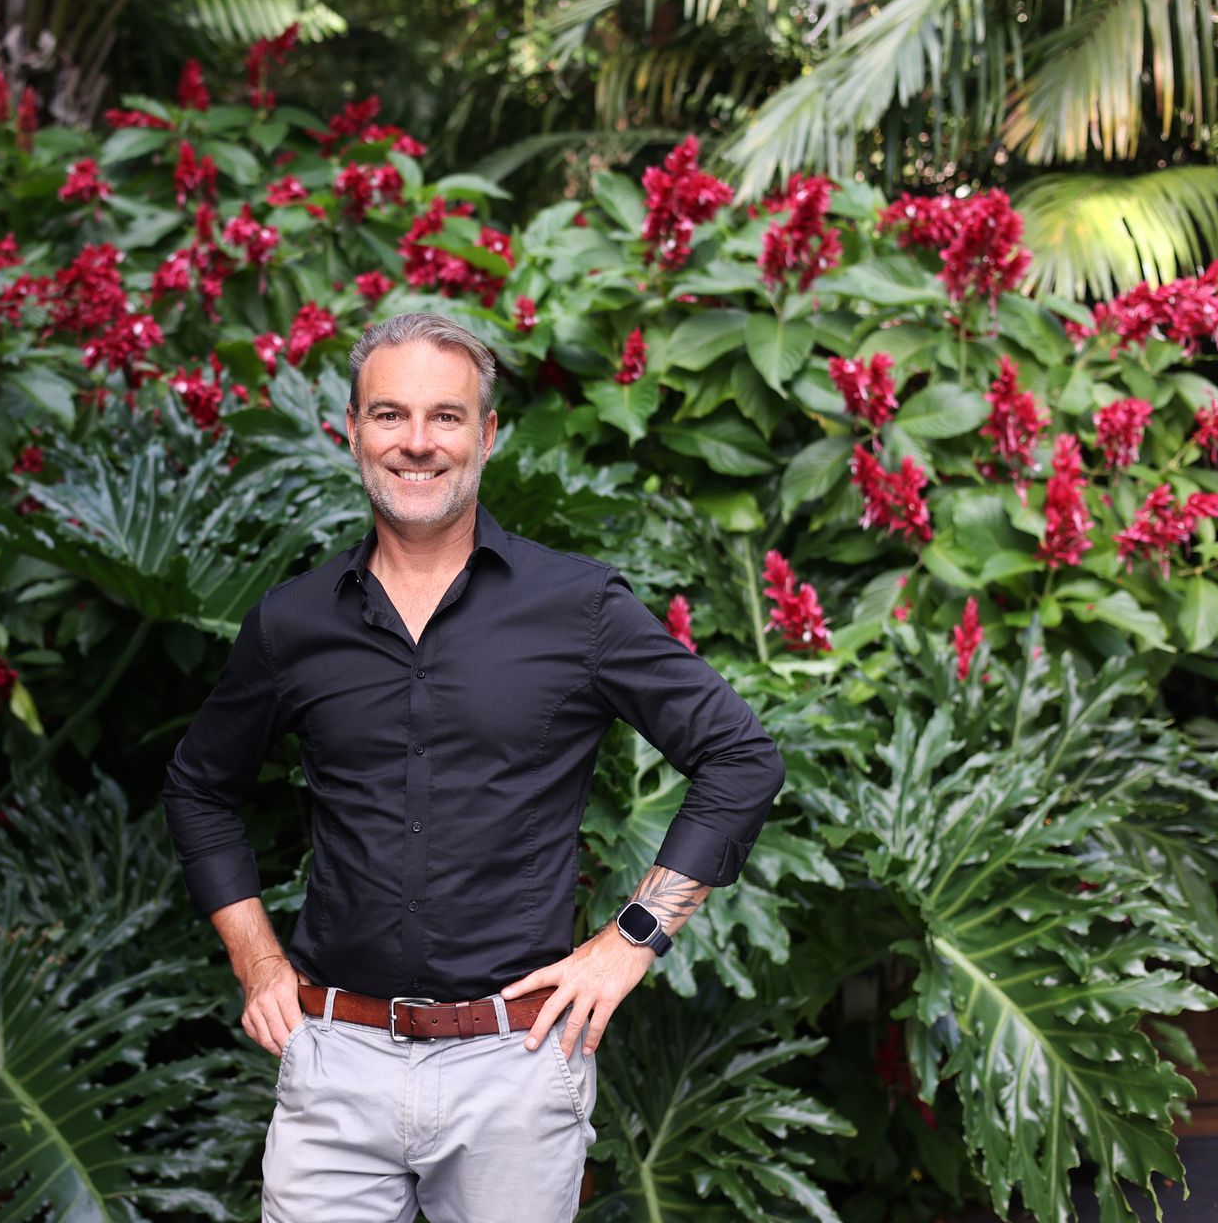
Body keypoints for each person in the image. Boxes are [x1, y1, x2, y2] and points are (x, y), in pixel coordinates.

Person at [160, 311, 787, 1222]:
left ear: (488, 434)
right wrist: (256, 960)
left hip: (517, 1067)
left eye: (446, 416)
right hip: (335, 1061)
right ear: (352, 430)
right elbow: (199, 788)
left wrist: (631, 940)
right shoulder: (292, 623)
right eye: (390, 415)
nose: (417, 442)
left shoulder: (579, 607)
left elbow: (740, 757)